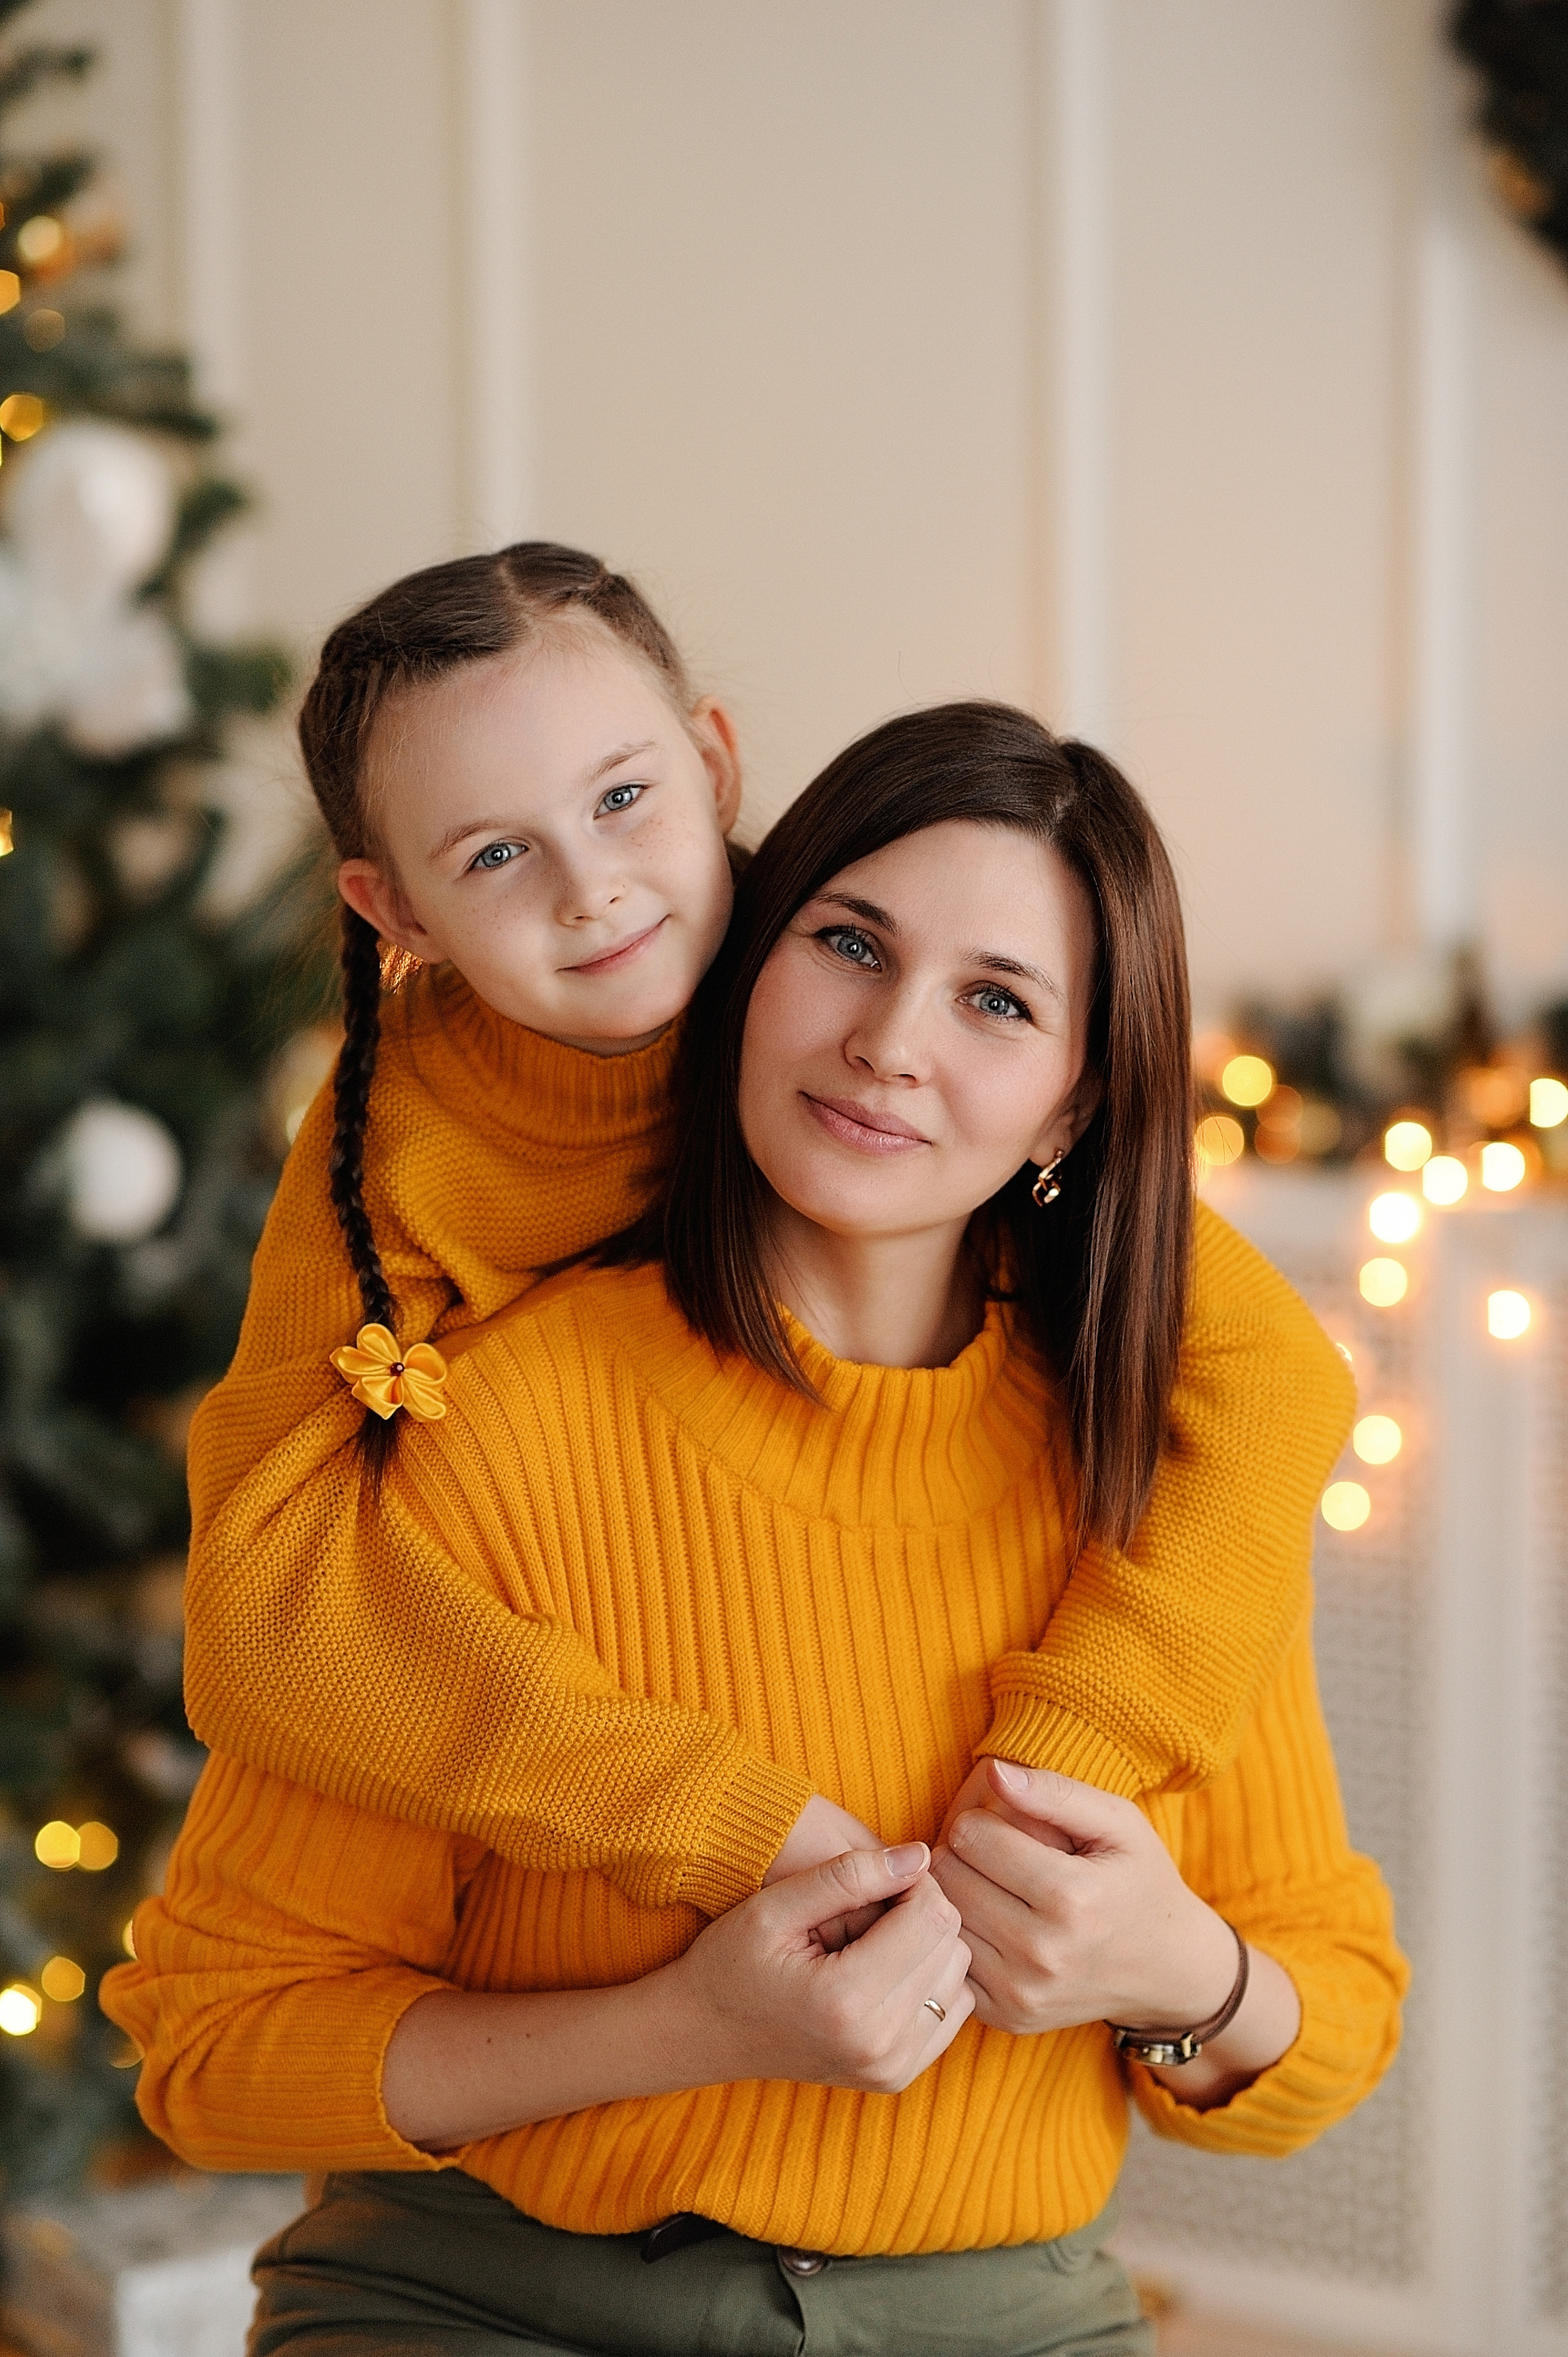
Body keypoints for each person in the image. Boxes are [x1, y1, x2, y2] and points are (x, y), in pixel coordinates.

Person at [105, 704, 1406, 2357]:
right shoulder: (501, 1425)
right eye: (849, 945)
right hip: (491, 2300)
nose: (888, 1042)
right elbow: (216, 2053)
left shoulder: (1172, 1484)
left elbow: (1332, 2026)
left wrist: (1184, 1976)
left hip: (999, 2317)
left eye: (996, 1001)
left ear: (1073, 1109)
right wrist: (680, 2027)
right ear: (745, 973)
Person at [178, 545, 1355, 1924]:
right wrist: (698, 1810)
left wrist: (1062, 1764)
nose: (591, 889)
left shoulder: (843, 979)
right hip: (573, 1539)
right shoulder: (399, 1134)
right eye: (496, 853)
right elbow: (260, 1603)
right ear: (395, 913)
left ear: (713, 768)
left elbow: (1277, 1376)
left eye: (623, 798)